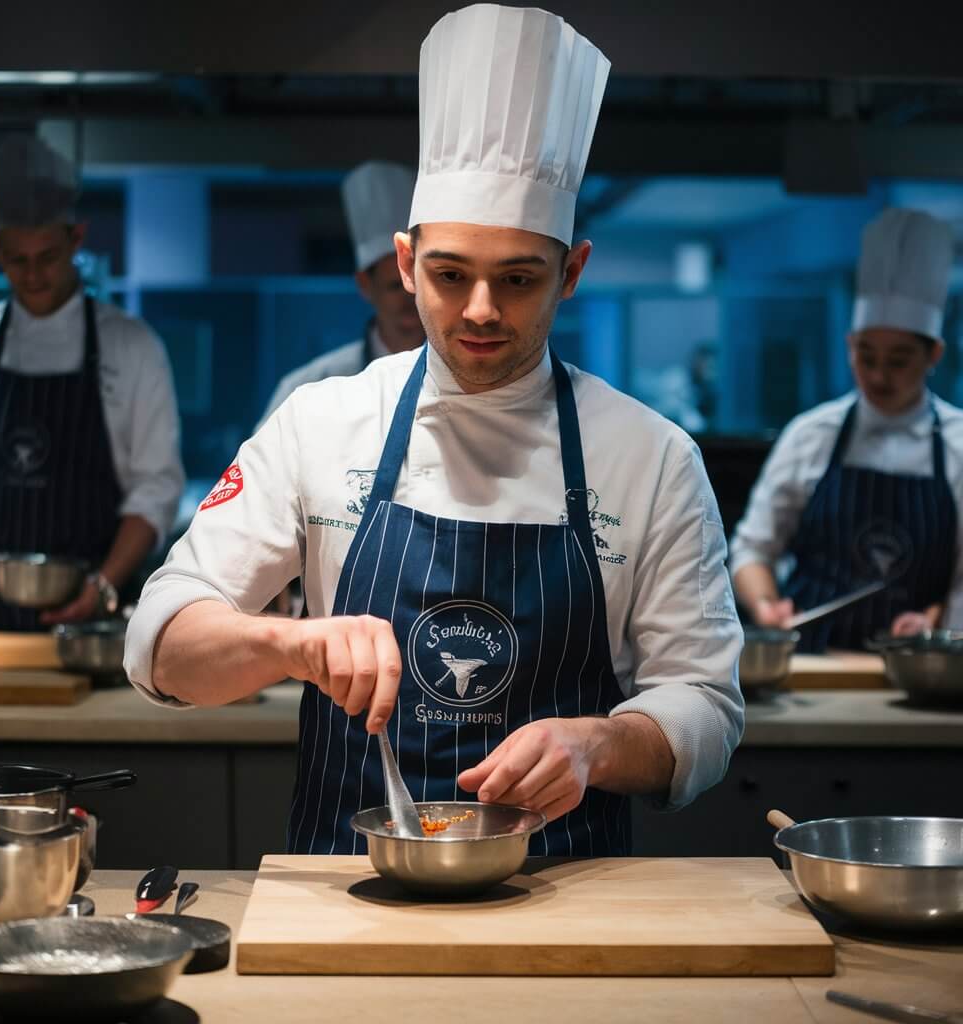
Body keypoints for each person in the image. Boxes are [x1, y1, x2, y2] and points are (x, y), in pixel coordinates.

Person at [125, 4, 743, 857]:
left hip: (569, 896)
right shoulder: (322, 424)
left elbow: (706, 704)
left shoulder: (652, 457)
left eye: (519, 279)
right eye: (451, 275)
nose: (481, 312)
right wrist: (291, 642)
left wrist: (595, 745)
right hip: (346, 888)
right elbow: (159, 641)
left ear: (573, 272)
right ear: (406, 262)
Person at [0, 135, 184, 631]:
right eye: (17, 259)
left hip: (91, 613)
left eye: (48, 257)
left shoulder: (134, 348)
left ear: (76, 238)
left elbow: (156, 488)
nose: (33, 276)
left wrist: (104, 586)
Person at [731, 208, 962, 651]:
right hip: (812, 665)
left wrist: (936, 618)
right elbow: (752, 549)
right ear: (849, 346)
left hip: (918, 667)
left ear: (933, 355)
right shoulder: (811, 434)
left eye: (898, 361)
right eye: (865, 356)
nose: (877, 376)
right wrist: (766, 605)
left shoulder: (958, 445)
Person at [257, 161, 424, 428]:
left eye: (417, 284)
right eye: (395, 286)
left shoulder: (463, 380)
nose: (410, 299)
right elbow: (255, 467)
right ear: (365, 285)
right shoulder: (311, 385)